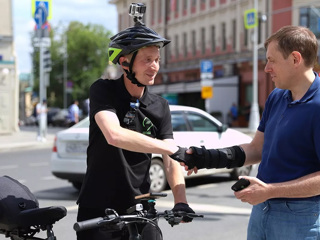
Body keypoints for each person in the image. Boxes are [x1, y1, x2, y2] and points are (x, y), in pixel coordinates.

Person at [171, 25, 320, 240]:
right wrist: (206, 158)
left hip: (300, 219)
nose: (267, 68)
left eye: (272, 60)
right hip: (262, 211)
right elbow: (256, 149)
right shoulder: (277, 96)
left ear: (296, 59)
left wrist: (270, 191)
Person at [76, 5, 194, 240]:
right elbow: (114, 135)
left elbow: (170, 161)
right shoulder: (104, 90)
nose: (154, 67)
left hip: (141, 207)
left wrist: (181, 201)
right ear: (125, 63)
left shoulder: (160, 105)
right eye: (147, 60)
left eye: (157, 59)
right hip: (99, 206)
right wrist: (168, 147)